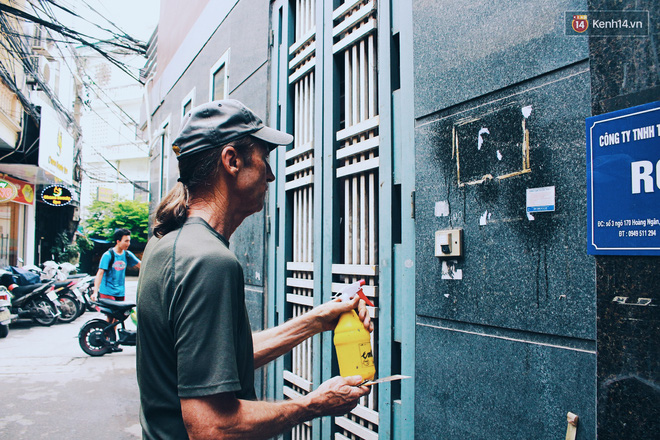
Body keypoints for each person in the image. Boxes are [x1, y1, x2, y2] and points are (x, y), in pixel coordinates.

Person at [136, 100, 373, 440]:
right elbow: (213, 427)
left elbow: (216, 363)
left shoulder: (168, 244)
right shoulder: (209, 262)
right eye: (265, 159)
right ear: (231, 161)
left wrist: (316, 320)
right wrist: (315, 404)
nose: (272, 175)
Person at [92, 228, 141, 302]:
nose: (128, 244)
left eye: (129, 241)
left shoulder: (127, 254)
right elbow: (100, 273)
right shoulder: (108, 255)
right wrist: (95, 292)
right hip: (107, 292)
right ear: (118, 241)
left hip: (120, 292)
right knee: (112, 312)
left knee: (120, 313)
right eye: (126, 241)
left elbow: (142, 265)